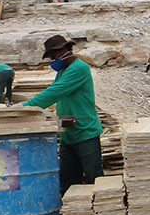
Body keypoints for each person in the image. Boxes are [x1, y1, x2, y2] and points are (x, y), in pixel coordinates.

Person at [19, 35, 104, 195]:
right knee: (68, 183)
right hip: (68, 132)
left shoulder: (79, 68)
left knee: (95, 180)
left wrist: (26, 107)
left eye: (52, 56)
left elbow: (54, 93)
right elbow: (54, 92)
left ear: (62, 51)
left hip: (86, 132)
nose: (52, 61)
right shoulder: (63, 71)